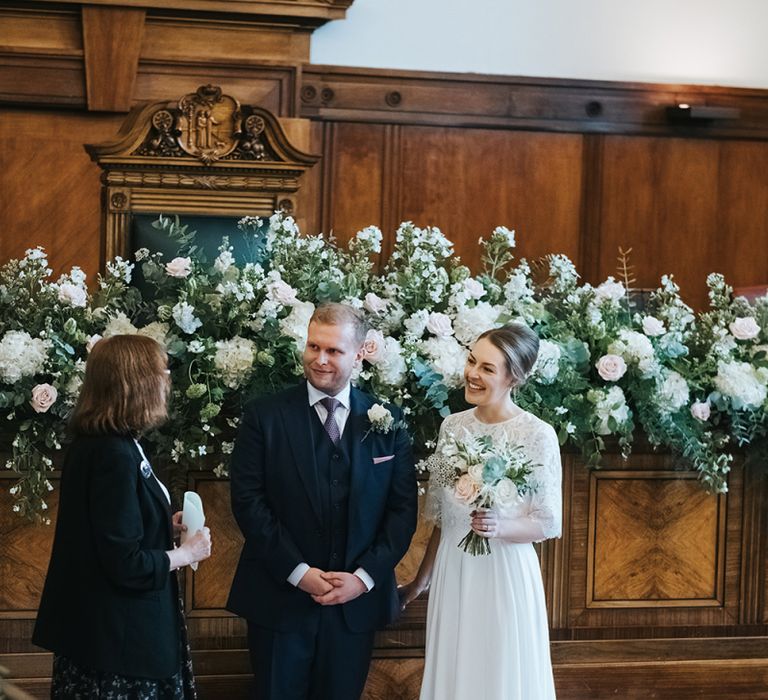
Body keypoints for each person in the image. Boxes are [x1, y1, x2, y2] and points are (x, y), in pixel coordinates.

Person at [227, 303, 418, 700]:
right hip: (278, 599)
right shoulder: (264, 417)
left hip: (354, 607)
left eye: (334, 351)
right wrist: (298, 571)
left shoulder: (390, 421)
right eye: (314, 347)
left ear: (360, 352)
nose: (320, 360)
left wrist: (362, 579)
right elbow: (248, 502)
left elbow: (402, 512)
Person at [32, 334, 212, 699]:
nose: (167, 381)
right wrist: (186, 555)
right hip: (118, 644)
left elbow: (114, 528)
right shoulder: (111, 452)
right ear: (136, 384)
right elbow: (123, 562)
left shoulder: (113, 441)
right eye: (161, 373)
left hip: (111, 634)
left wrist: (165, 524)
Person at [400, 323, 561, 700]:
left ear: (514, 377)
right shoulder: (451, 429)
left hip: (504, 574)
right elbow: (442, 515)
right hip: (455, 574)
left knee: (499, 669)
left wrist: (501, 524)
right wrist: (421, 582)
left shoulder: (537, 434)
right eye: (472, 360)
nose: (472, 373)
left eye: (487, 368)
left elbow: (548, 521)